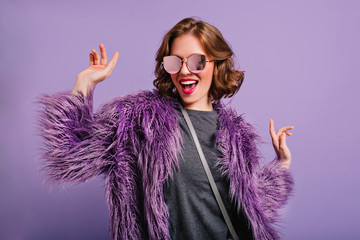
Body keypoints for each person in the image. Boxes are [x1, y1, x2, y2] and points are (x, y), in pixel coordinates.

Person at [37, 17, 294, 240]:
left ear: (216, 63)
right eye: (175, 61)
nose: (184, 71)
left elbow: (253, 202)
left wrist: (281, 163)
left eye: (196, 62)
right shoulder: (137, 120)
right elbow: (67, 157)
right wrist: (84, 83)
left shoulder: (238, 137)